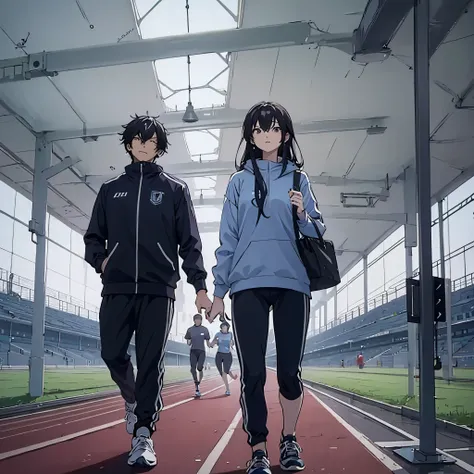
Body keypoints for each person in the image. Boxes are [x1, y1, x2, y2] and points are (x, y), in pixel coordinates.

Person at [84, 115, 211, 468]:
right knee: (111, 352)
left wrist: (199, 285)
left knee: (151, 362)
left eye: (151, 140)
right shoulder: (111, 190)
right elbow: (94, 236)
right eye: (138, 139)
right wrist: (102, 262)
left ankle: (143, 434)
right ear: (129, 144)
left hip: (159, 289)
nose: (143, 144)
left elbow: (190, 243)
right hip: (117, 287)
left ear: (158, 147)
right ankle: (133, 398)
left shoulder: (174, 190)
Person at [207, 102, 326, 473]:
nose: (265, 135)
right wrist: (218, 291)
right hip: (248, 284)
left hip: (292, 281)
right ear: (251, 136)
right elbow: (227, 238)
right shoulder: (238, 182)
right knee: (254, 372)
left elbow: (318, 230)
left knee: (289, 371)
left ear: (285, 135)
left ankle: (289, 439)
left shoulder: (298, 179)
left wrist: (303, 213)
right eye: (258, 130)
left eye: (272, 128)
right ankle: (258, 448)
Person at [185, 313, 211, 397]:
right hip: (193, 351)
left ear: (201, 321)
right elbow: (188, 343)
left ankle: (199, 380)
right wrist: (189, 340)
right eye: (196, 319)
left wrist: (213, 344)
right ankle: (197, 385)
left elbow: (208, 343)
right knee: (192, 369)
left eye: (199, 319)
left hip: (201, 351)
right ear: (194, 320)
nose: (197, 321)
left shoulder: (205, 329)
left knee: (199, 368)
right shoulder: (190, 330)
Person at [210, 320, 238, 395]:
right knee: (222, 372)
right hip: (219, 355)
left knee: (225, 371)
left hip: (227, 355)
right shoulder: (218, 334)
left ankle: (228, 389)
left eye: (225, 327)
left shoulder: (230, 334)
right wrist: (212, 344)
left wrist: (231, 344)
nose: (224, 328)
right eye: (222, 327)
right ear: (221, 328)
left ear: (227, 328)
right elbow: (213, 343)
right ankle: (232, 376)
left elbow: (232, 343)